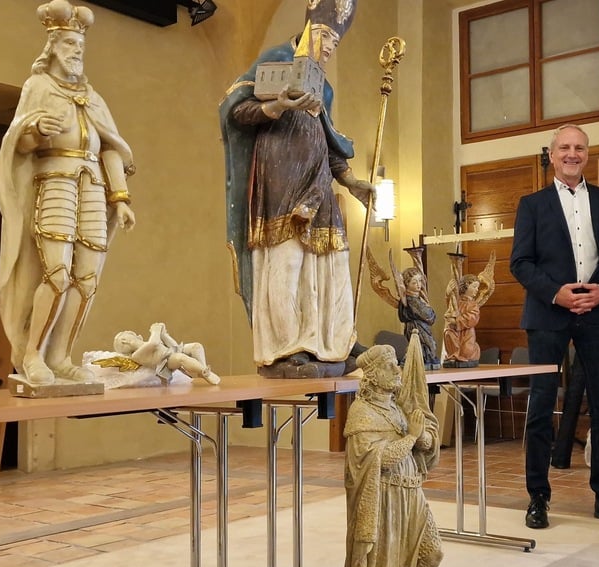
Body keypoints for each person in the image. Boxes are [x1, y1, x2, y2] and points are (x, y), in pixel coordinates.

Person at [219, 0, 374, 379]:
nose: (326, 49)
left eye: (333, 44)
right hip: (279, 182)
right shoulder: (274, 60)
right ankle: (285, 350)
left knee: (330, 263)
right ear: (307, 31)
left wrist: (351, 182)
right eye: (323, 38)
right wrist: (276, 106)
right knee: (285, 262)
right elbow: (237, 111)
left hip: (319, 184)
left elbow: (327, 140)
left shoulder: (325, 87)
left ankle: (334, 342)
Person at [0, 0, 136, 386]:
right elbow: (20, 143)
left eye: (81, 45)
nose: (77, 51)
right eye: (70, 44)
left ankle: (60, 356)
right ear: (53, 47)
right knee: (56, 273)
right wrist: (37, 129)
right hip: (55, 183)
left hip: (92, 187)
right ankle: (33, 355)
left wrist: (120, 199)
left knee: (87, 278)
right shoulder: (38, 86)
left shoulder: (93, 97)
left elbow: (109, 145)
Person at [509, 124, 599, 529]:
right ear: (552, 155)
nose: (572, 154)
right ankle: (538, 497)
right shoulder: (532, 204)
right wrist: (556, 294)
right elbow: (520, 263)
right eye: (565, 147)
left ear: (587, 154)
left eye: (579, 148)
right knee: (541, 405)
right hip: (548, 312)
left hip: (597, 312)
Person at [342, 335, 442, 567]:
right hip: (384, 496)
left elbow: (422, 443)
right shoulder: (362, 413)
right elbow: (378, 460)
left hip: (412, 492)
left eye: (398, 365)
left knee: (432, 553)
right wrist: (411, 436)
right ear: (372, 376)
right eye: (390, 366)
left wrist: (422, 438)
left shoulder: (397, 408)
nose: (398, 371)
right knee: (386, 560)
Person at [101, 322, 220, 385]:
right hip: (165, 362)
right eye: (123, 339)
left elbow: (171, 345)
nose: (125, 339)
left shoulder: (148, 341)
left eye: (126, 336)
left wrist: (164, 333)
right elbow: (154, 343)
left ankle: (202, 370)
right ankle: (205, 372)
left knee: (196, 347)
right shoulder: (136, 355)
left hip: (171, 351)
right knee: (180, 358)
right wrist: (156, 330)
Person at [441, 253, 495, 368]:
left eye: (477, 287)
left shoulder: (473, 305)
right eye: (474, 287)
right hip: (455, 331)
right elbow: (450, 306)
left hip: (466, 333)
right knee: (448, 332)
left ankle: (464, 354)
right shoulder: (457, 300)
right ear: (465, 286)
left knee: (466, 350)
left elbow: (473, 318)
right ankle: (453, 355)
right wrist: (448, 293)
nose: (476, 290)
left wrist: (458, 320)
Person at [397, 268, 440, 370]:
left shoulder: (415, 298)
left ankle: (422, 359)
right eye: (414, 282)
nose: (418, 284)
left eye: (420, 281)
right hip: (417, 327)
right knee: (425, 345)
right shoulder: (412, 300)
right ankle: (420, 360)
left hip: (419, 326)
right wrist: (429, 309)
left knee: (426, 346)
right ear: (407, 284)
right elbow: (428, 315)